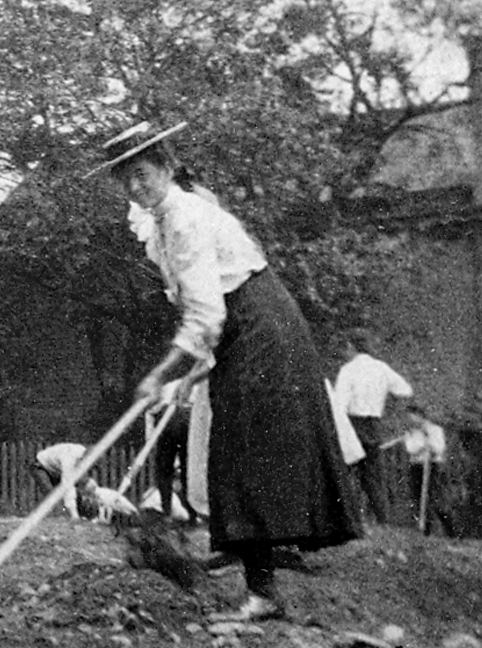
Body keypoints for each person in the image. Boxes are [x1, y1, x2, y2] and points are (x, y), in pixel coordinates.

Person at [101, 120, 360, 623]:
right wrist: (185, 378)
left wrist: (161, 374)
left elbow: (206, 317)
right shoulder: (164, 221)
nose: (136, 186)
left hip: (262, 327)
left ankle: (263, 592)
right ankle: (260, 584)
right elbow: (209, 322)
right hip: (244, 328)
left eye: (142, 173)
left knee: (240, 452)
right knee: (232, 452)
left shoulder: (185, 218)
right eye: (126, 180)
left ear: (166, 167)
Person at [334, 334, 414, 525]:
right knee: (373, 476)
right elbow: (405, 390)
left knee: (344, 472)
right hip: (373, 425)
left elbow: (339, 404)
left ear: (351, 346)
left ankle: (344, 519)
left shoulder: (348, 370)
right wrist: (387, 405)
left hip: (352, 424)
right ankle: (382, 520)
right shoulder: (381, 368)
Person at [151, 378, 202, 525]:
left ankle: (168, 513)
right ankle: (191, 514)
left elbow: (152, 411)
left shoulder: (167, 385)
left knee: (165, 469)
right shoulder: (198, 385)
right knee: (187, 470)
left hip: (170, 416)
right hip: (184, 416)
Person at [401, 404, 455, 537]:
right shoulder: (411, 433)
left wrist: (429, 443)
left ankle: (451, 531)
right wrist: (421, 445)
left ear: (420, 416)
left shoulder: (436, 430)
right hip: (417, 465)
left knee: (435, 498)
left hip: (432, 466)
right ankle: (425, 532)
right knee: (419, 498)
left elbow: (439, 448)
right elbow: (411, 448)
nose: (411, 419)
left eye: (413, 416)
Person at [31, 441, 100, 520]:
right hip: (41, 466)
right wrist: (74, 514)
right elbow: (67, 485)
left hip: (56, 470)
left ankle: (83, 515)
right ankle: (50, 518)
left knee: (78, 494)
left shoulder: (83, 456)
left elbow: (82, 482)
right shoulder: (69, 458)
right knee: (51, 493)